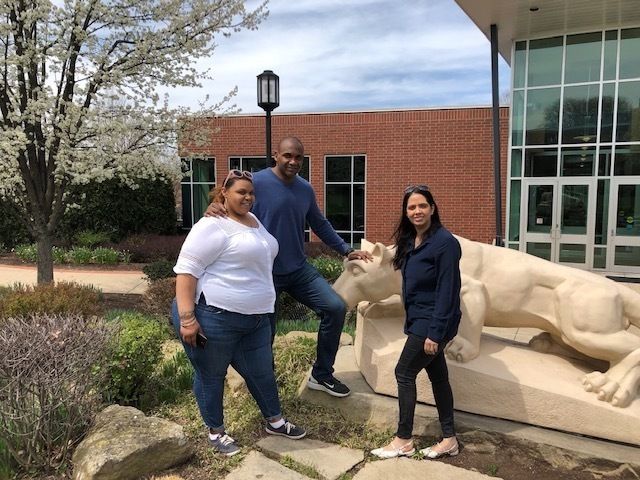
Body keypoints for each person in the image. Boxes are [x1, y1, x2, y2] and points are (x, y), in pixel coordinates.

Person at [205, 136, 372, 398]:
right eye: (287, 156)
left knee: (335, 307)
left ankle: (322, 374)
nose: (293, 161)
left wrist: (347, 250)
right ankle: (265, 386)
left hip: (298, 270)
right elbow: (230, 200)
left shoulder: (305, 189)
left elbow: (319, 223)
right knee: (265, 334)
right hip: (264, 275)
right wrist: (215, 206)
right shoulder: (257, 182)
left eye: (298, 157)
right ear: (276, 155)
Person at [172, 169, 306, 457]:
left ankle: (275, 421)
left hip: (256, 319)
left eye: (250, 192)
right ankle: (216, 432)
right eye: (240, 192)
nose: (247, 197)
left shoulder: (254, 221)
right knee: (211, 375)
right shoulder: (212, 225)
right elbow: (186, 272)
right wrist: (187, 319)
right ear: (224, 193)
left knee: (262, 372)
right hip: (214, 316)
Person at [371, 184, 461, 460]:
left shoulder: (445, 243)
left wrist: (435, 333)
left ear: (433, 209)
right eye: (411, 207)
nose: (417, 211)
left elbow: (448, 291)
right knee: (439, 378)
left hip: (433, 322)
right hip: (420, 320)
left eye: (422, 205)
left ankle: (403, 440)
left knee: (404, 372)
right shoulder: (411, 241)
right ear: (406, 212)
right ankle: (449, 439)